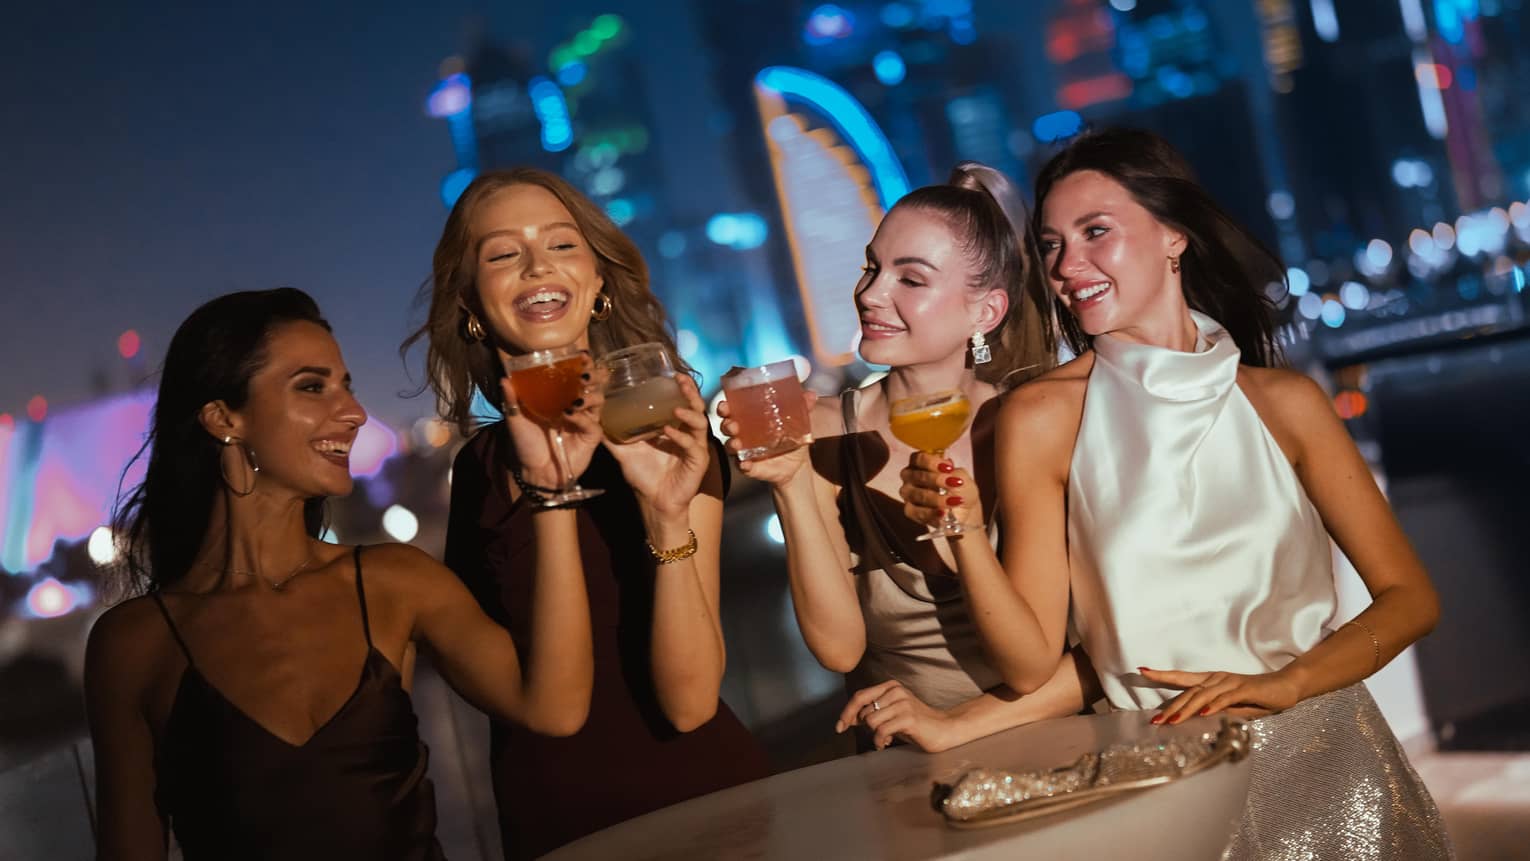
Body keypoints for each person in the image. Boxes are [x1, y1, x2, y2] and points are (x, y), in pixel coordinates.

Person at [902, 129, 1451, 857]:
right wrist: (965, 534)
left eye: (1095, 231)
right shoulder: (1040, 417)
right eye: (1053, 245)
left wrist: (1291, 683)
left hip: (1331, 773)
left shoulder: (1285, 403)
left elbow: (1411, 598)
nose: (1067, 265)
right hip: (1163, 787)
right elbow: (1043, 662)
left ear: (1174, 235)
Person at [84, 288, 594, 861]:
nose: (354, 413)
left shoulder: (395, 581)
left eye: (346, 385)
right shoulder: (134, 643)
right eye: (312, 386)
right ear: (224, 418)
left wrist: (553, 491)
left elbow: (554, 708)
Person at [405, 168, 770, 859]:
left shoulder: (664, 424)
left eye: (562, 244)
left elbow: (691, 703)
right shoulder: (479, 468)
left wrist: (666, 516)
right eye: (503, 253)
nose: (537, 265)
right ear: (471, 302)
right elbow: (544, 704)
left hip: (712, 816)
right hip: (562, 830)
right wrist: (550, 493)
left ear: (598, 283)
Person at [720, 163, 1096, 754]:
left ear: (986, 312)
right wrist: (789, 483)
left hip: (1054, 743)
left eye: (911, 279)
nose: (870, 294)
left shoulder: (1035, 422)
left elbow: (1051, 661)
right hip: (907, 766)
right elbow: (838, 649)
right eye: (871, 267)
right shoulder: (823, 428)